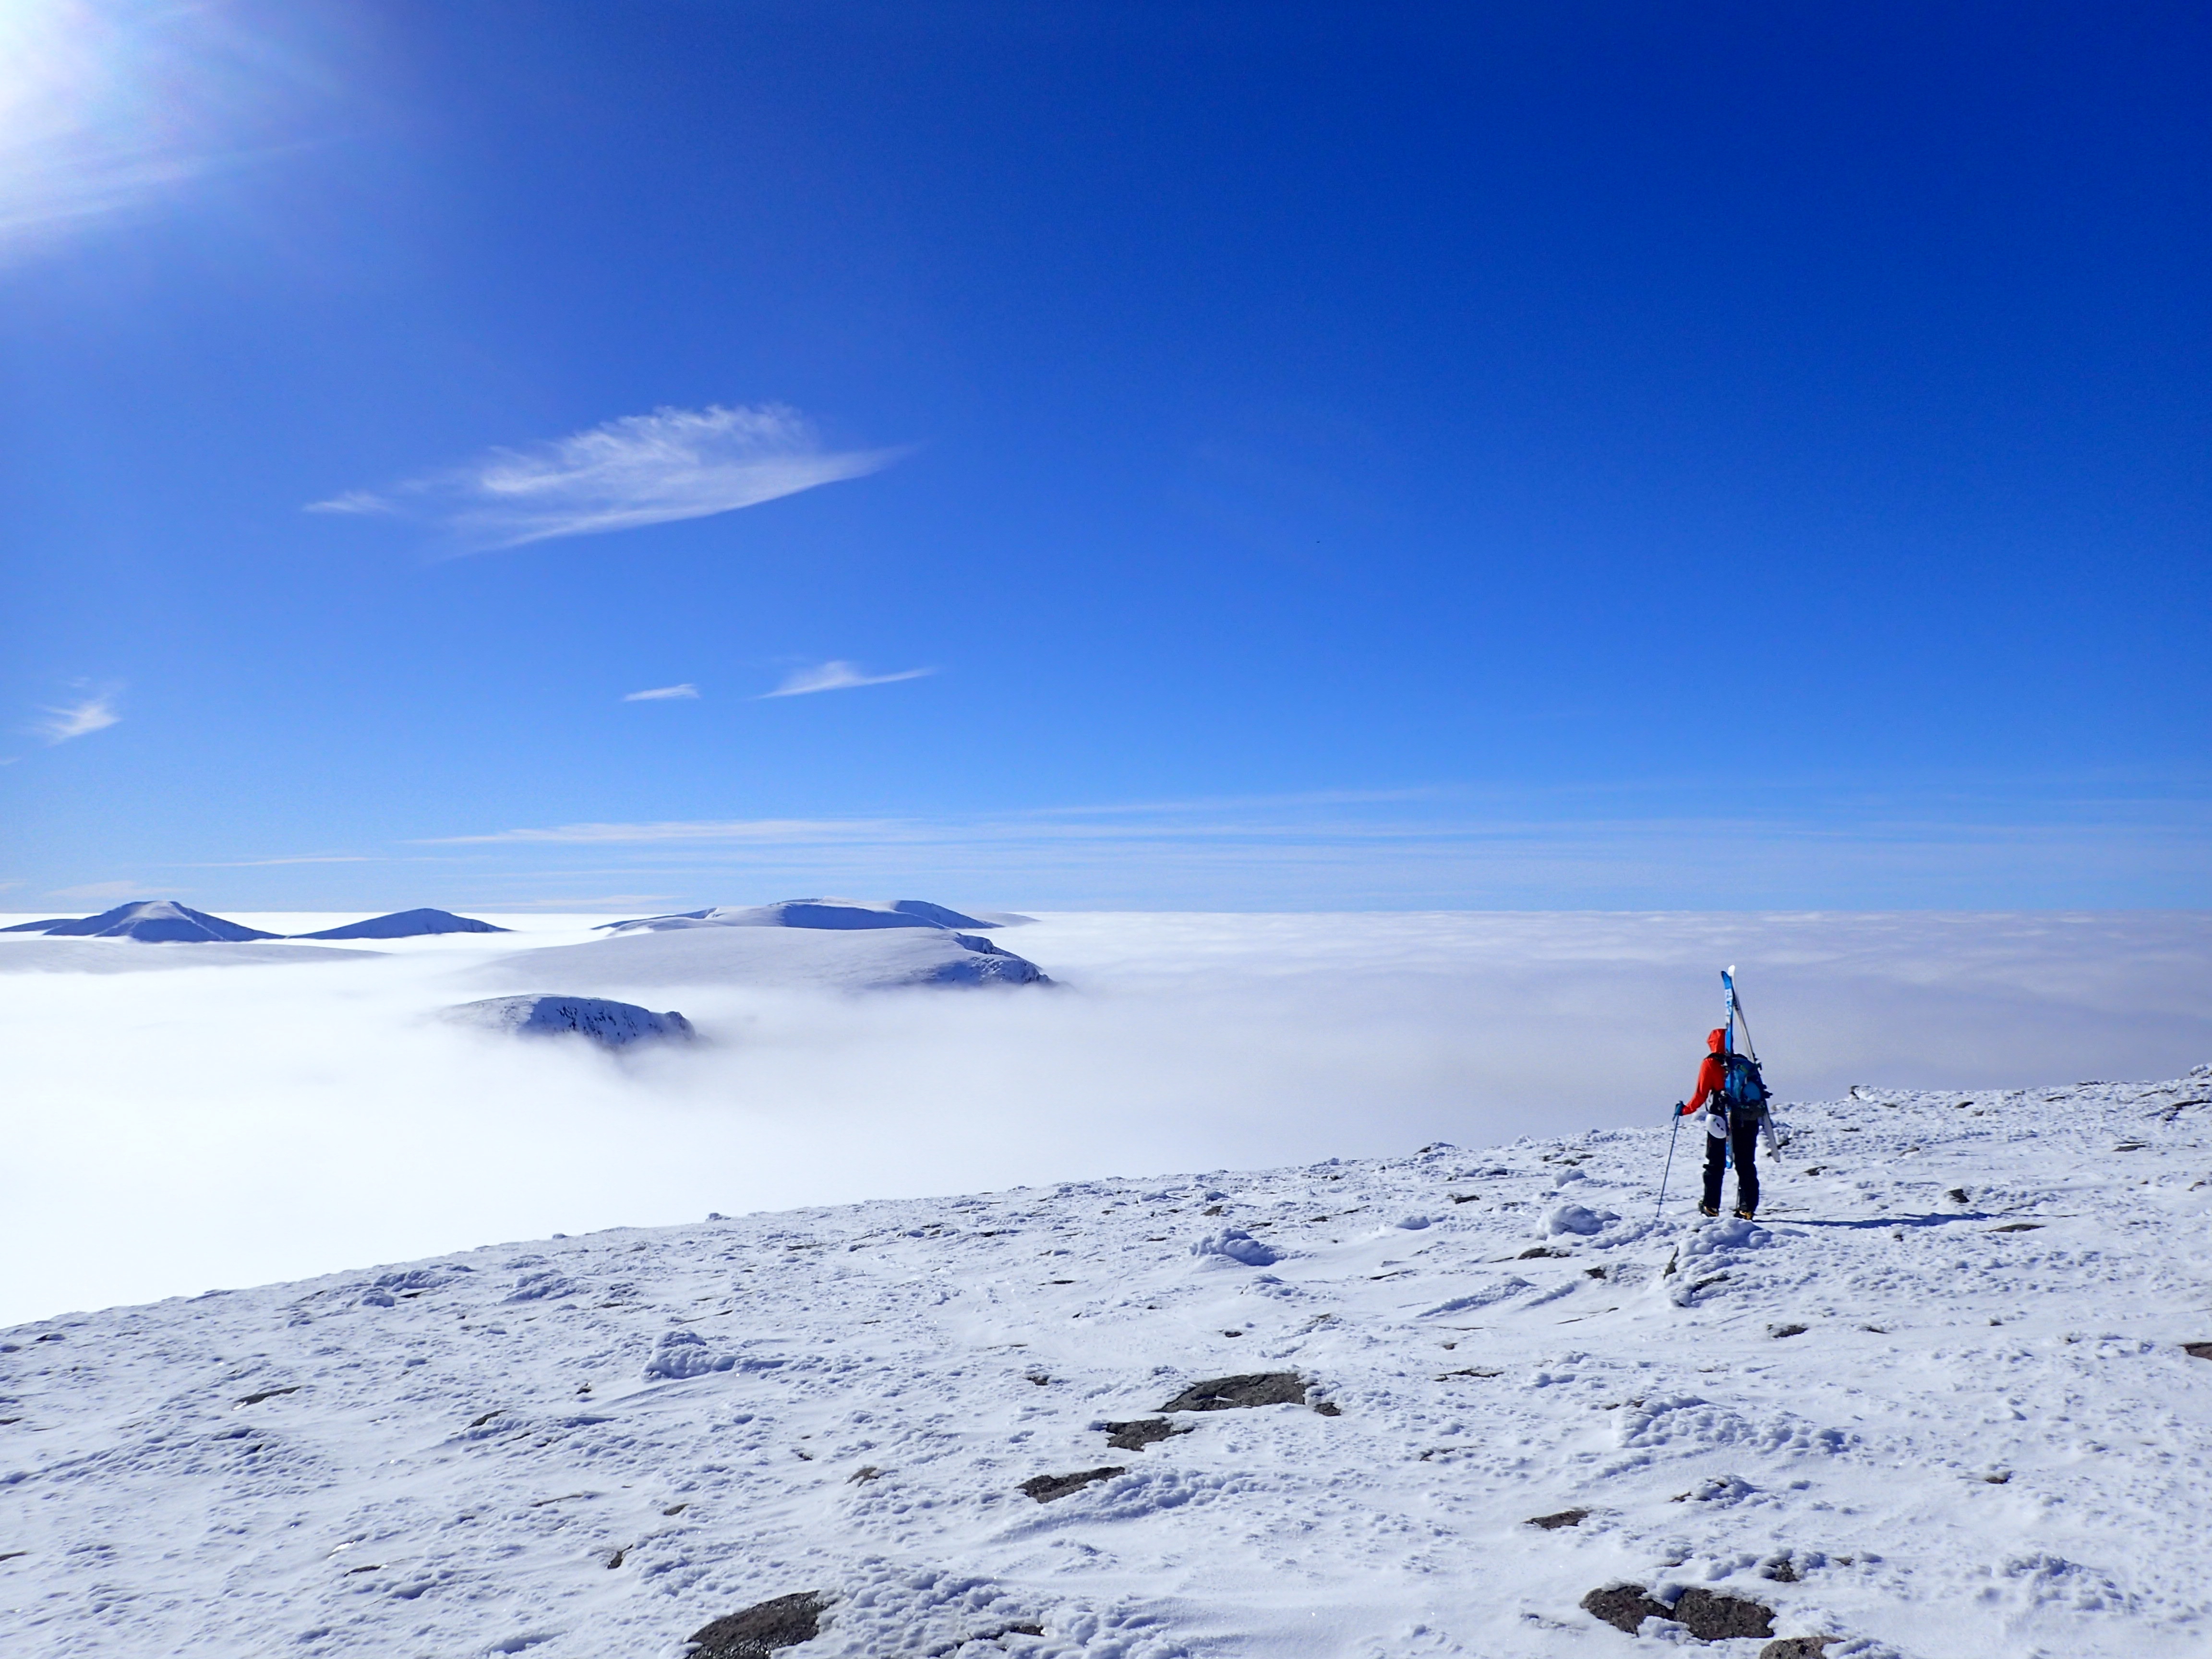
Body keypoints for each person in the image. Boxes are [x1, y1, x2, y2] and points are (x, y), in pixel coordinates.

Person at [1679, 1027, 1760, 1219]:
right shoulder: (1744, 1063)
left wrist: (1684, 1110)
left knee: (1715, 1162)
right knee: (1746, 1163)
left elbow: (1700, 1095)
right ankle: (1747, 1208)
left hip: (1720, 1118)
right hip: (1747, 1118)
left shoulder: (1711, 1063)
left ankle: (1711, 1206)